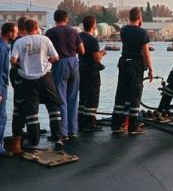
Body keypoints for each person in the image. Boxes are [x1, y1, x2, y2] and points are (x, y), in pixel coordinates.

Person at [10, 19, 63, 150]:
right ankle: (58, 138)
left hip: (27, 79)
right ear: (37, 27)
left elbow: (13, 60)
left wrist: (21, 65)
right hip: (45, 76)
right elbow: (56, 57)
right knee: (53, 107)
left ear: (25, 28)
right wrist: (47, 60)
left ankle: (34, 141)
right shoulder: (45, 40)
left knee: (32, 110)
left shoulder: (19, 42)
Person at [111, 7, 153, 135]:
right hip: (136, 66)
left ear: (129, 17)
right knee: (135, 95)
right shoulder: (142, 33)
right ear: (140, 18)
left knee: (122, 94)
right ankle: (133, 126)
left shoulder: (123, 30)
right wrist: (150, 68)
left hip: (124, 64)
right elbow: (145, 53)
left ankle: (117, 124)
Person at [45, 10, 85, 139]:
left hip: (59, 63)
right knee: (73, 98)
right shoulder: (74, 31)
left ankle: (63, 132)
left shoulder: (50, 32)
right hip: (74, 62)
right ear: (66, 19)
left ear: (55, 19)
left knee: (61, 98)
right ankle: (73, 130)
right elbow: (82, 50)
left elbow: (46, 52)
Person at [78, 15, 106, 131]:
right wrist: (102, 53)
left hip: (81, 69)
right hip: (92, 72)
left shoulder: (79, 37)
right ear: (93, 25)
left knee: (83, 96)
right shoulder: (92, 40)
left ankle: (80, 120)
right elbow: (96, 58)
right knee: (93, 96)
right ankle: (90, 123)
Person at [0, 22, 17, 156]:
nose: (16, 34)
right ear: (10, 33)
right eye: (15, 32)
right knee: (2, 117)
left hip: (2, 85)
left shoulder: (4, 47)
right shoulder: (2, 48)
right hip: (1, 87)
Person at [10, 16, 27, 140]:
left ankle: (19, 129)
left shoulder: (17, 40)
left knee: (19, 101)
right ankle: (18, 131)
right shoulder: (21, 41)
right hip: (19, 73)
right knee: (20, 102)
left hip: (16, 73)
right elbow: (15, 60)